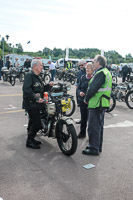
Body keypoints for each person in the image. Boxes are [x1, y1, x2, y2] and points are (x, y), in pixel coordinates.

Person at [82, 55, 112, 156]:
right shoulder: (105, 72)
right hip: (101, 103)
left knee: (93, 127)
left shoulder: (101, 73)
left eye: (94, 61)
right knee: (98, 126)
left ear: (99, 63)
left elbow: (92, 88)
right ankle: (97, 146)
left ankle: (93, 148)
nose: (93, 63)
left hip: (96, 104)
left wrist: (86, 99)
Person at [22, 59, 54, 149]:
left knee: (33, 121)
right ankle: (29, 141)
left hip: (38, 103)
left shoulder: (38, 76)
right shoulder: (29, 76)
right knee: (37, 123)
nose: (42, 67)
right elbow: (26, 90)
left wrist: (49, 86)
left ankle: (31, 137)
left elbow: (42, 89)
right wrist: (36, 98)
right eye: (41, 65)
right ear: (35, 66)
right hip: (31, 104)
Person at [77, 63, 94, 138]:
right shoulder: (82, 77)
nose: (87, 70)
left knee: (91, 119)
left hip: (90, 101)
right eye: (86, 68)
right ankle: (82, 133)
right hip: (82, 100)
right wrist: (79, 92)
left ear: (92, 70)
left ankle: (91, 136)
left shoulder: (94, 78)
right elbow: (78, 88)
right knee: (83, 117)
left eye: (89, 68)